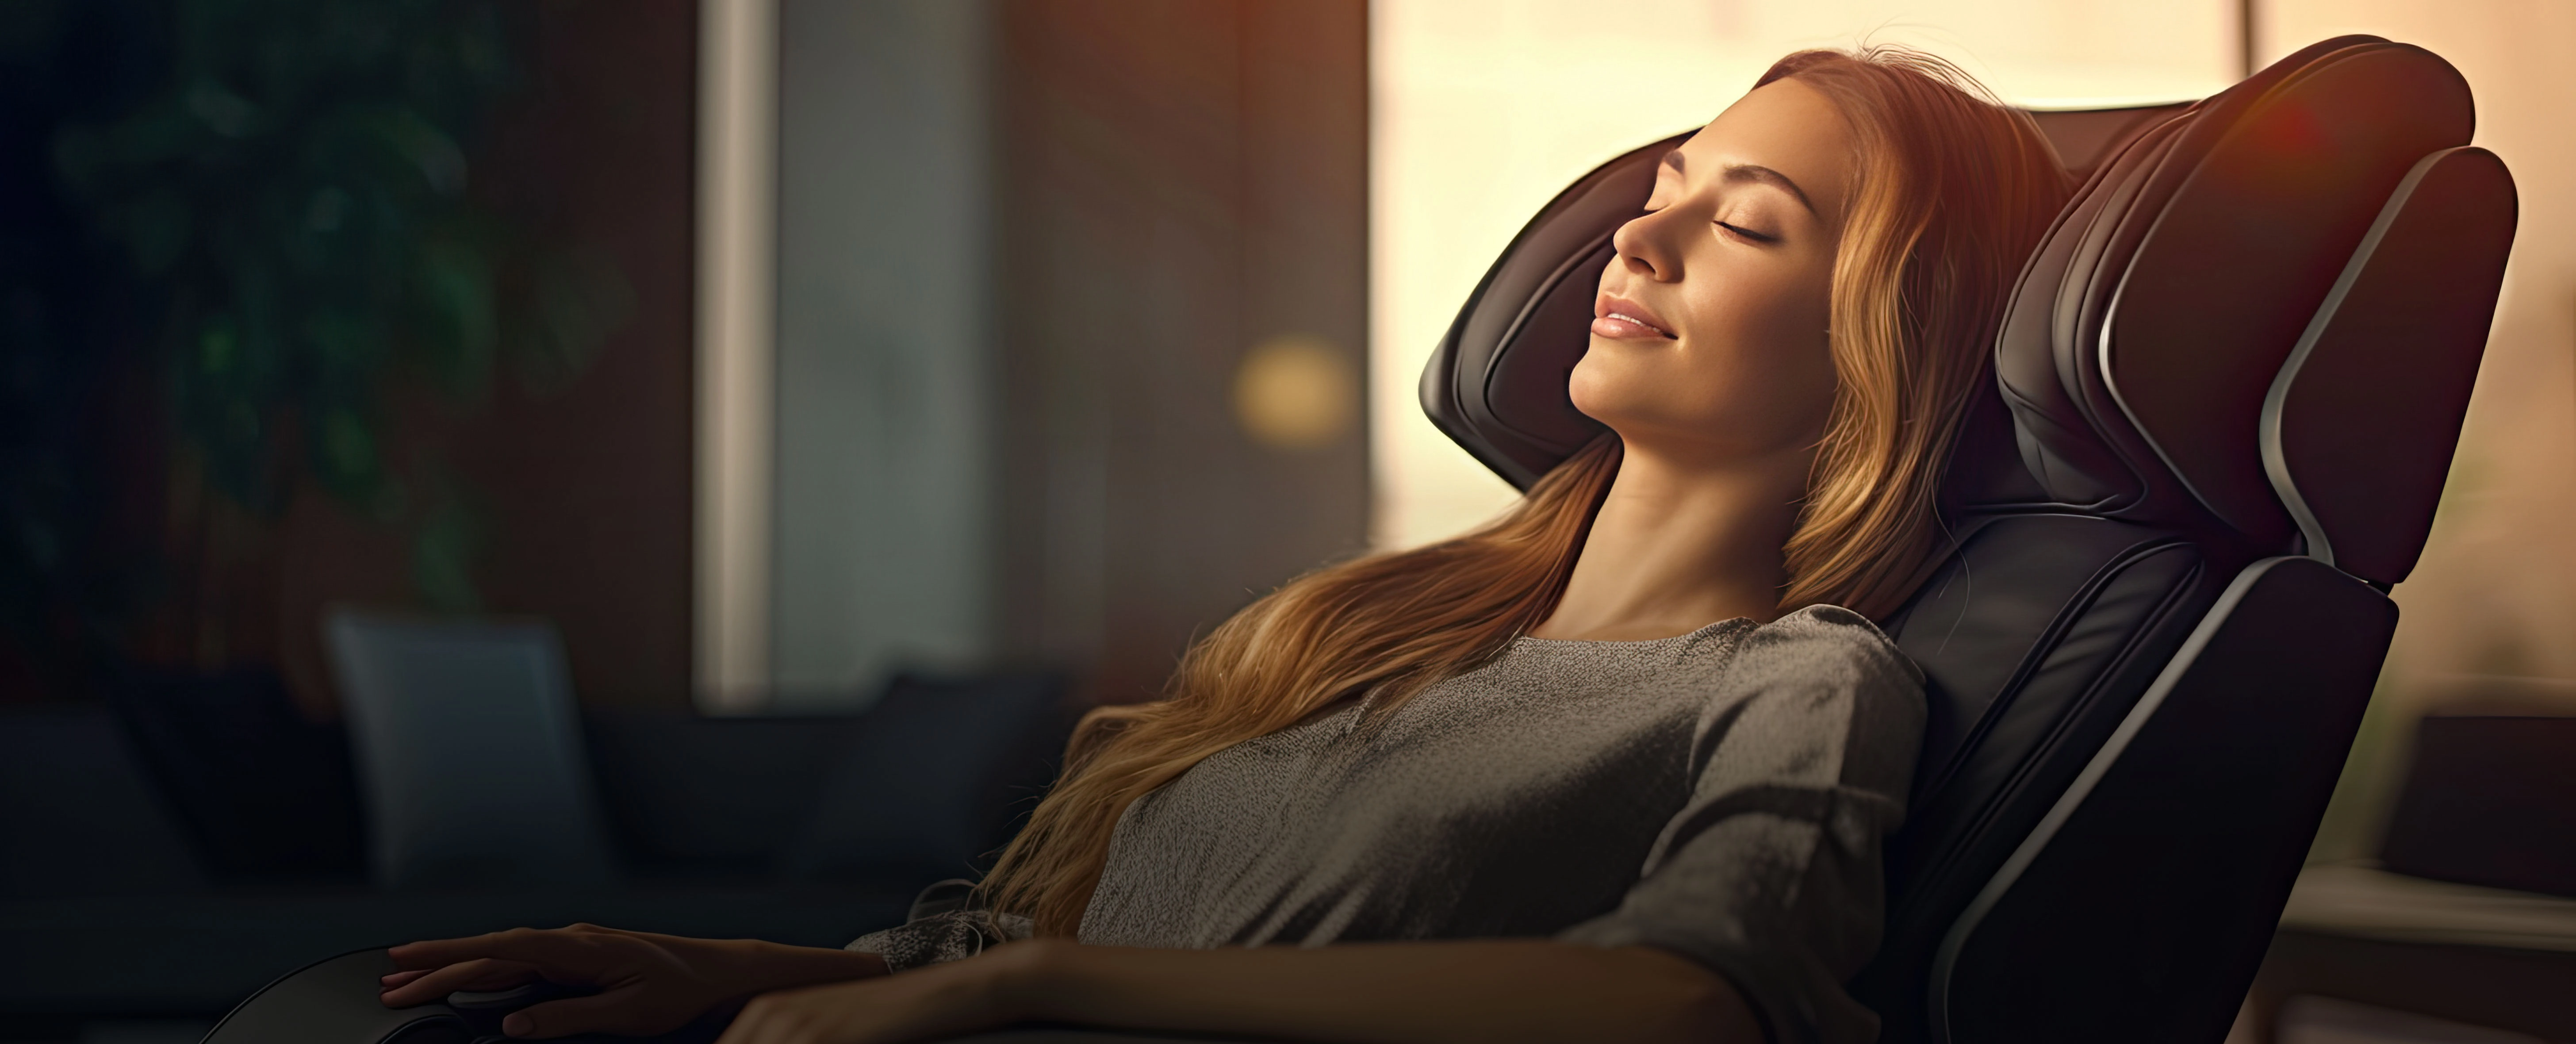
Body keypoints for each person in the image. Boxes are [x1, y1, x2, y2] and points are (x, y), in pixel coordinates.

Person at [376, 46, 2071, 1044]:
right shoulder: (1386, 627)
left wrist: (1032, 992)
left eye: (1748, 220)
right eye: (1672, 179)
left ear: (1874, 341)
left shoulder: (1802, 682)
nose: (1640, 226)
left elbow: (1701, 996)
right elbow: (1003, 958)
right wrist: (712, 966)